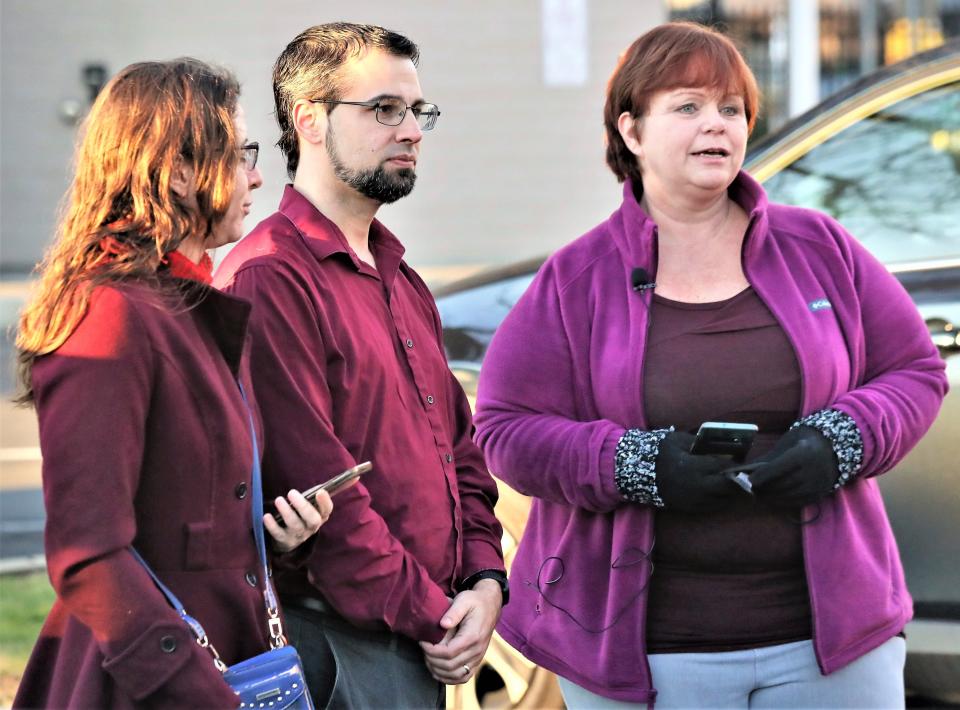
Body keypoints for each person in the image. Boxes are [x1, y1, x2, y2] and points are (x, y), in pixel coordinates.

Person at [473, 22, 948, 709]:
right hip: (645, 657)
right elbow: (506, 431)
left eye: (731, 109)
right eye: (688, 106)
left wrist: (844, 440)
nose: (717, 125)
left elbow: (914, 370)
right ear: (631, 133)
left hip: (832, 645)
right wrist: (632, 465)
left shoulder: (818, 246)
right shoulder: (575, 280)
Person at [13, 58, 333, 709]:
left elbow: (190, 515)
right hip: (147, 685)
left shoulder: (187, 302)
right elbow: (87, 552)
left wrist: (278, 540)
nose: (257, 174)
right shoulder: (111, 312)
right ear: (180, 171)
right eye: (240, 152)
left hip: (223, 663)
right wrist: (204, 696)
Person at [213, 22, 507, 709]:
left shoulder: (399, 274)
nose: (410, 130)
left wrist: (487, 583)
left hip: (421, 637)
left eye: (416, 111)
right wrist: (438, 617)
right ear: (309, 120)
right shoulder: (270, 278)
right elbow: (324, 494)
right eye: (383, 110)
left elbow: (461, 452)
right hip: (340, 649)